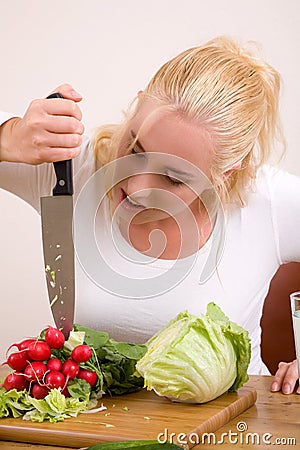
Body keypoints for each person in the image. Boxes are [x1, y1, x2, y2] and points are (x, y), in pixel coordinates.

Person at [0, 36, 299, 395]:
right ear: (137, 105)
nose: (138, 186)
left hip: (235, 430)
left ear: (227, 173)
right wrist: (9, 137)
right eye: (136, 148)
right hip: (94, 423)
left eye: (173, 178)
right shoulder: (70, 169)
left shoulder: (265, 202)